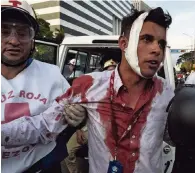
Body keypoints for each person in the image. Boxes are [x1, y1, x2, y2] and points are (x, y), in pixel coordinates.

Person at [2, 7, 175, 173]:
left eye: (161, 43)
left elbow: (176, 140)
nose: (156, 50)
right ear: (123, 43)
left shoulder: (167, 92)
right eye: (147, 39)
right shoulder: (89, 86)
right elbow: (43, 126)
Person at [1, 1, 86, 173]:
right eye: (4, 31)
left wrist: (80, 118)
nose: (13, 40)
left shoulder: (52, 75)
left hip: (41, 167)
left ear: (33, 40)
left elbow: (70, 120)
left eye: (23, 33)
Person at [64, 58, 118, 173]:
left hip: (111, 130)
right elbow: (80, 110)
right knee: (68, 152)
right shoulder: (93, 88)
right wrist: (78, 129)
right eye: (108, 71)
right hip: (89, 127)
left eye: (113, 71)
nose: (110, 73)